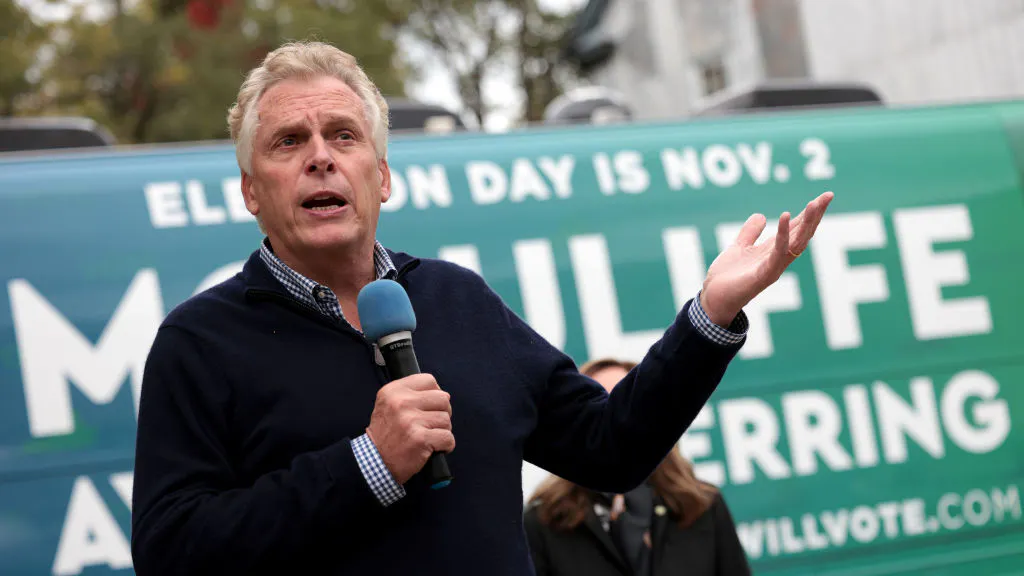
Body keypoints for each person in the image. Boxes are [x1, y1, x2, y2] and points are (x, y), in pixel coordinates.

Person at [129, 39, 833, 576]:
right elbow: (171, 551)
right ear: (252, 190)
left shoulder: (455, 298)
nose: (321, 158)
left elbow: (610, 448)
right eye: (289, 142)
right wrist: (367, 465)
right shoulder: (200, 342)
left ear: (383, 176)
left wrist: (709, 316)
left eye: (344, 136)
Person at [524, 358, 751, 576]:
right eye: (600, 407)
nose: (614, 420)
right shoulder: (543, 521)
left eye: (626, 404)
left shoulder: (702, 504)